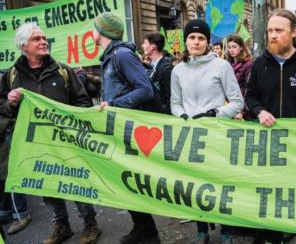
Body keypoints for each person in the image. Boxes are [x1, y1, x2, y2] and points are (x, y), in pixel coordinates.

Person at [0, 22, 101, 244]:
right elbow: (2, 107)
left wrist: (73, 120)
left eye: (44, 38)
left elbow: (82, 101)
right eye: (37, 39)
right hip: (34, 144)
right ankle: (61, 226)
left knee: (75, 184)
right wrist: (10, 103)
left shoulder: (63, 71)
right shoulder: (12, 75)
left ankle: (90, 224)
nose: (44, 41)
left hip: (65, 141)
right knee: (46, 186)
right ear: (24, 45)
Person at [245, 8, 296, 244]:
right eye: (270, 30)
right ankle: (274, 237)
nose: (272, 35)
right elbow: (250, 97)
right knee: (273, 196)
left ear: (294, 32)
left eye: (278, 30)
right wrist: (259, 112)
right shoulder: (260, 64)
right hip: (271, 147)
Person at [170, 19, 244, 244]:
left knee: (221, 183)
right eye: (192, 37)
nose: (196, 41)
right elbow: (175, 102)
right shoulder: (177, 70)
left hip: (216, 134)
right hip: (190, 136)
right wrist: (182, 116)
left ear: (207, 41)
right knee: (194, 184)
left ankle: (226, 229)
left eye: (201, 38)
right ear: (185, 41)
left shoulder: (221, 66)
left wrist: (214, 114)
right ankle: (201, 229)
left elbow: (238, 102)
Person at [93, 12, 158, 244]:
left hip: (130, 128)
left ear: (102, 32)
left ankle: (150, 234)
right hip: (120, 127)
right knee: (124, 182)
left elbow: (145, 89)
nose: (92, 32)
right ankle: (142, 228)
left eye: (94, 28)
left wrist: (113, 104)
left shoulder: (122, 55)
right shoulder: (111, 56)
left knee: (130, 182)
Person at [142, 32, 173, 114]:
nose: (142, 46)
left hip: (161, 116)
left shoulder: (167, 68)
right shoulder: (148, 67)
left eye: (145, 43)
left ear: (153, 47)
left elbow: (170, 98)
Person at [225, 34, 253, 120]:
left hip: (242, 109)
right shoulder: (227, 64)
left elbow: (249, 90)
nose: (231, 50)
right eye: (229, 47)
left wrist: (242, 111)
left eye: (234, 47)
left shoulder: (248, 65)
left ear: (241, 47)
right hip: (228, 106)